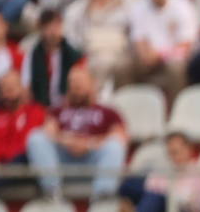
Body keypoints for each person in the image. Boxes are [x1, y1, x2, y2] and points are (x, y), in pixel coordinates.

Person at [25, 64, 126, 199]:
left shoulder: (109, 112)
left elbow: (121, 137)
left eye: (80, 82)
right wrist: (69, 141)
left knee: (115, 146)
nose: (76, 86)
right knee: (36, 137)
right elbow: (49, 132)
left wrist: (88, 144)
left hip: (93, 159)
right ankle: (52, 192)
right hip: (64, 159)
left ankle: (102, 196)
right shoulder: (57, 111)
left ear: (92, 84)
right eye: (72, 82)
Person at [127, 0, 199, 96]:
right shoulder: (139, 7)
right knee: (123, 66)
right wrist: (145, 55)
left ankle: (176, 110)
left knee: (175, 68)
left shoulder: (183, 6)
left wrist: (160, 55)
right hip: (148, 57)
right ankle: (127, 108)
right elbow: (138, 39)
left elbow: (186, 45)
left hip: (174, 58)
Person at [63, 0, 131, 84]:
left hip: (120, 59)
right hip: (89, 58)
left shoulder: (128, 7)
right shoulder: (76, 10)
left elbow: (133, 38)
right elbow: (71, 40)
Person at [24, 9, 82, 108]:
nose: (53, 32)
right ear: (41, 29)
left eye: (56, 26)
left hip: (67, 105)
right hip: (41, 104)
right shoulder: (34, 54)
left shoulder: (72, 54)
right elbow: (27, 85)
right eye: (48, 28)